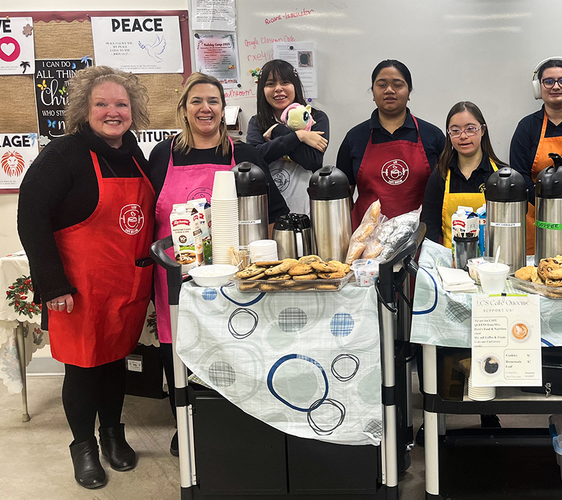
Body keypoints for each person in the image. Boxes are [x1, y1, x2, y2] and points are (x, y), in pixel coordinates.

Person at [17, 66, 153, 489]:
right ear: (83, 109)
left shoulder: (134, 153)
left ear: (133, 112)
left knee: (114, 363)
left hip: (125, 287)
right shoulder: (63, 155)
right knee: (82, 369)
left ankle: (113, 435)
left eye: (121, 104)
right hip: (78, 290)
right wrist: (52, 285)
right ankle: (84, 446)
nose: (113, 112)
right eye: (102, 104)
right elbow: (31, 219)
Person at [149, 72, 289, 456]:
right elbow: (147, 214)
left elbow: (274, 212)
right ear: (184, 109)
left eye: (213, 101)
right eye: (196, 101)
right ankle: (184, 419)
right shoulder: (163, 155)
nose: (205, 108)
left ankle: (225, 417)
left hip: (231, 276)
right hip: (173, 278)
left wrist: (258, 262)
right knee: (174, 348)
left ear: (224, 110)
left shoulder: (243, 155)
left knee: (228, 347)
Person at [336, 59, 446, 227]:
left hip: (421, 238)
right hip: (368, 242)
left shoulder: (432, 136)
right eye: (381, 85)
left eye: (397, 84)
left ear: (409, 92)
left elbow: (447, 190)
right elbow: (343, 199)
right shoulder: (355, 138)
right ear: (373, 93)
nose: (389, 90)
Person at [510, 57, 562, 255]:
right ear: (539, 88)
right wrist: (548, 203)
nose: (555, 86)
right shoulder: (527, 127)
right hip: (538, 213)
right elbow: (520, 176)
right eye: (548, 81)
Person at [247, 59, 331, 213]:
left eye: (285, 82)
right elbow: (256, 158)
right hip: (269, 207)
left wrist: (277, 131)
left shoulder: (314, 118)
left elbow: (312, 160)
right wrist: (299, 136)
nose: (278, 89)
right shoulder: (257, 122)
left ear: (295, 85)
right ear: (262, 90)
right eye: (270, 84)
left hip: (308, 206)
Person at [420, 101, 507, 247]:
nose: (463, 136)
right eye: (455, 130)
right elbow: (431, 229)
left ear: (483, 130)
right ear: (448, 134)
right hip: (450, 263)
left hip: (493, 264)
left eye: (470, 129)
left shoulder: (500, 175)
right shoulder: (440, 175)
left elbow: (508, 226)